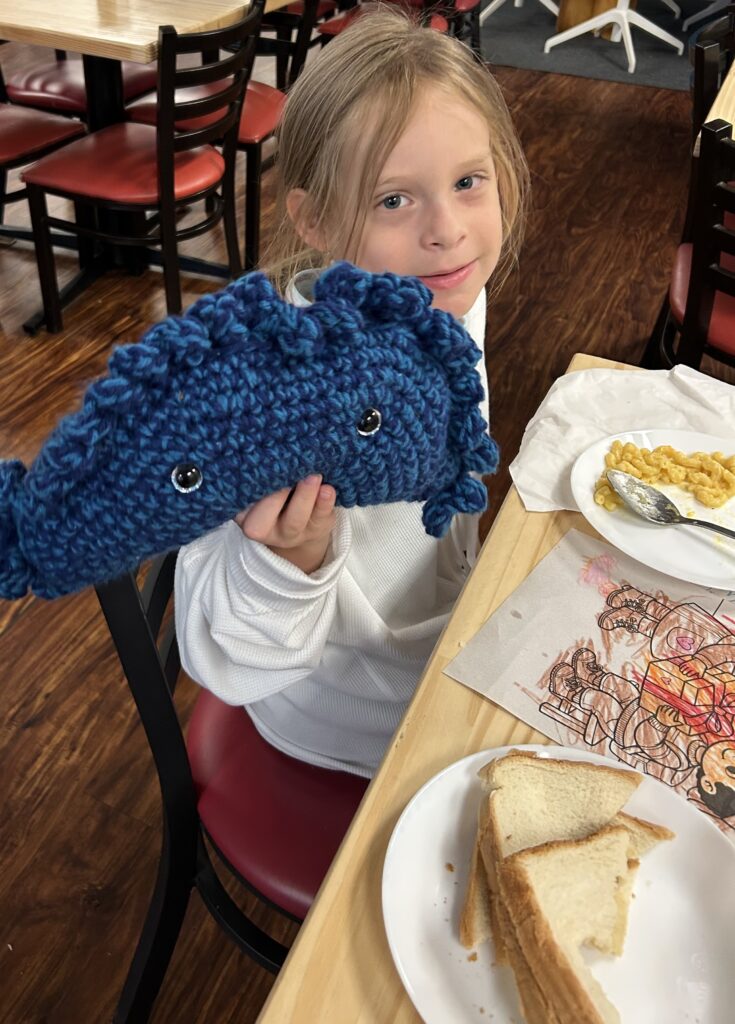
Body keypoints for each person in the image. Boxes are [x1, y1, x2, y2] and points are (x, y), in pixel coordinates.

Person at [174, 9, 529, 777]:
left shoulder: (443, 300)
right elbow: (223, 653)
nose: (447, 231)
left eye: (469, 183)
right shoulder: (273, 406)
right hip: (351, 716)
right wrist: (286, 561)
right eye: (393, 200)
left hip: (439, 628)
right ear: (318, 219)